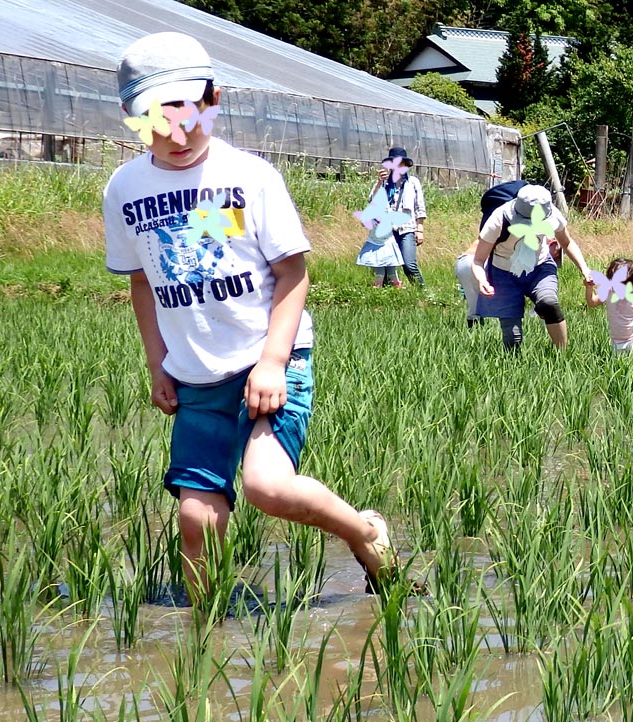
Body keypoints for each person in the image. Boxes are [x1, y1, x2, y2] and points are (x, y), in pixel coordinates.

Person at [103, 32, 396, 603]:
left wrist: (271, 363)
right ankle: (202, 637)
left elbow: (293, 273)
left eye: (187, 118)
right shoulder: (125, 188)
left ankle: (366, 533)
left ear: (213, 101)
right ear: (128, 119)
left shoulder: (250, 177)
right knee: (196, 518)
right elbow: (141, 281)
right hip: (194, 375)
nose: (175, 138)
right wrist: (157, 364)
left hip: (270, 361)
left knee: (266, 486)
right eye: (153, 126)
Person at [471, 185, 593, 350]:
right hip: (504, 274)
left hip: (540, 268)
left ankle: (563, 356)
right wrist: (482, 280)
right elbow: (478, 260)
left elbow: (567, 242)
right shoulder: (498, 219)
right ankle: (512, 368)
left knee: (549, 303)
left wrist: (584, 269)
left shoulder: (552, 215)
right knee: (512, 336)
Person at [360, 147, 427, 288]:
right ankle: (386, 291)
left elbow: (419, 206)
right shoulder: (384, 182)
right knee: (384, 262)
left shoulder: (413, 182)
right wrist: (379, 182)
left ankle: (421, 290)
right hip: (387, 229)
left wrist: (419, 229)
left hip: (406, 228)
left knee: (409, 263)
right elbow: (372, 200)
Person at [585, 257, 633, 355]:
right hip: (616, 342)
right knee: (619, 366)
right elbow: (592, 302)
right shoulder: (609, 292)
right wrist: (589, 287)